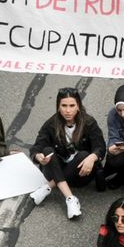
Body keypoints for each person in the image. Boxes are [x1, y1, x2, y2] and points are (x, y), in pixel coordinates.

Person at [27, 86, 105, 219]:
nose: (68, 110)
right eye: (64, 105)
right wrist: (39, 157)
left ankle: (48, 186)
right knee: (47, 150)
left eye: (72, 105)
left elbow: (100, 147)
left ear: (78, 106)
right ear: (58, 106)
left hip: (80, 175)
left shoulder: (89, 122)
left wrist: (93, 157)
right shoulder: (51, 124)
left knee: (84, 155)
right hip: (57, 169)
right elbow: (36, 147)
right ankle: (70, 198)